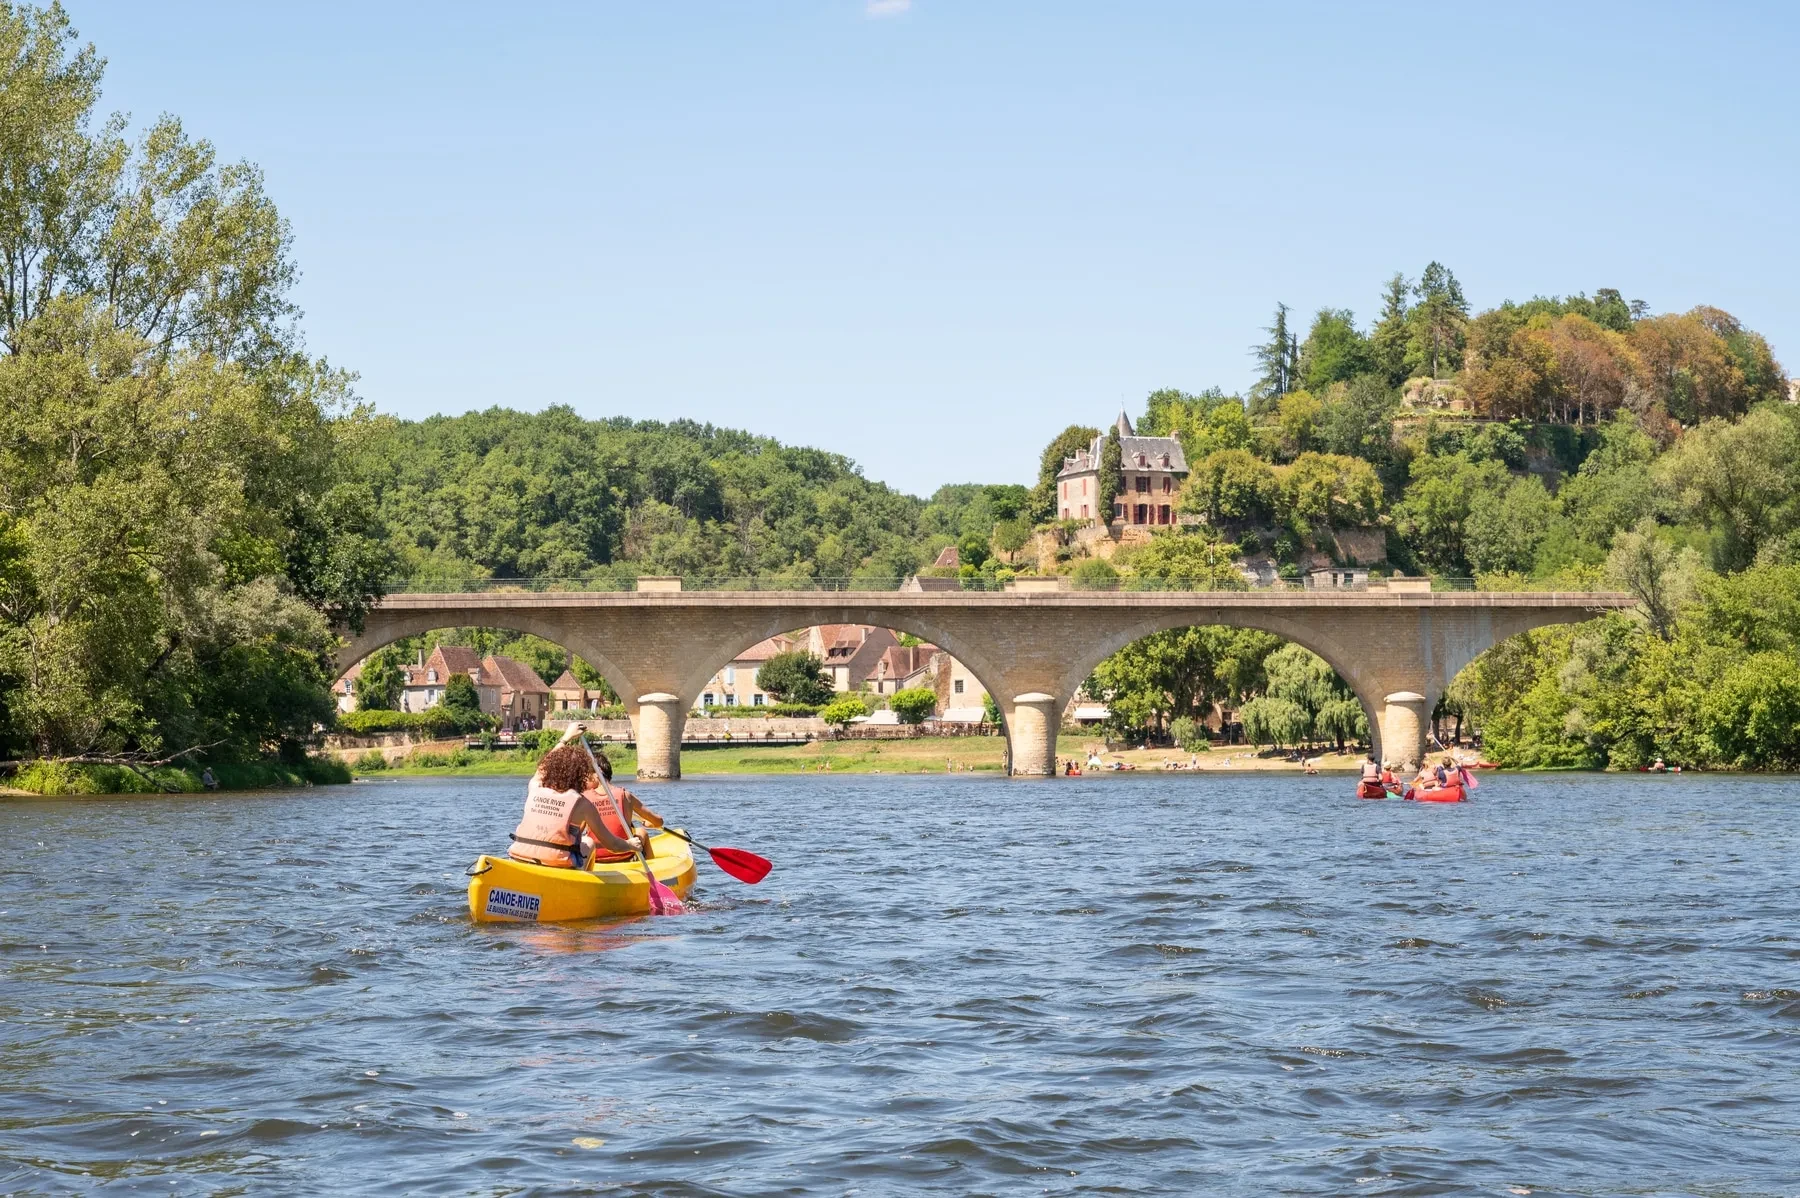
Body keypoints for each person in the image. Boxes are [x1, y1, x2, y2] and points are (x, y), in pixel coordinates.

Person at [508, 728, 662, 869]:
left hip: (520, 857)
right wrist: (630, 845)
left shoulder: (535, 787)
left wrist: (565, 738)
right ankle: (585, 883)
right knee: (587, 842)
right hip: (557, 862)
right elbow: (613, 844)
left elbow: (542, 768)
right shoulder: (582, 804)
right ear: (580, 775)